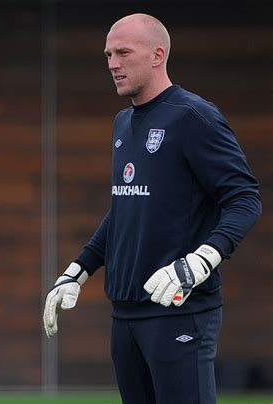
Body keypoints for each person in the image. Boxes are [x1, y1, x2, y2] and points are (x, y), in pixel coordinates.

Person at [43, 13, 261, 404]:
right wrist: (77, 271)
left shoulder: (195, 116)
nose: (112, 63)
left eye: (123, 52)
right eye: (108, 54)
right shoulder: (123, 123)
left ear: (158, 55)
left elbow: (245, 198)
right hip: (125, 316)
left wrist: (201, 260)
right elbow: (125, 210)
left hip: (179, 311)